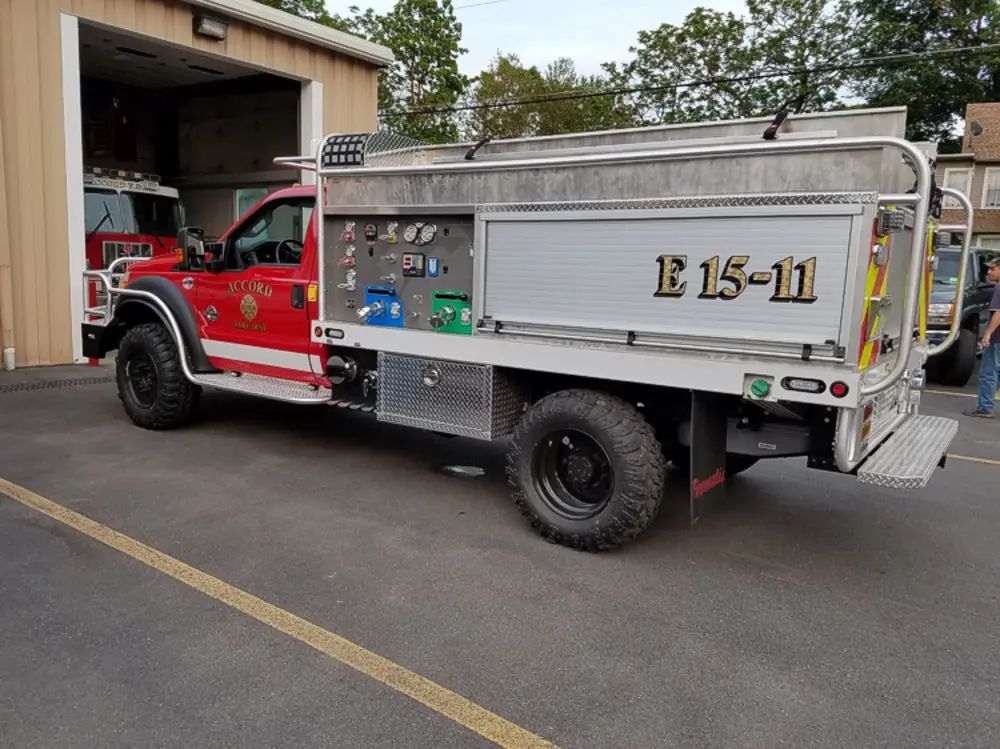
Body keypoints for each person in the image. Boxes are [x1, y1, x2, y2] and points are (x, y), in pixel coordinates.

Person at [964, 259, 1000, 418]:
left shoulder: (999, 288)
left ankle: (985, 408)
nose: (989, 273)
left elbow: (998, 313)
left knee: (988, 372)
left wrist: (988, 333)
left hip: (997, 339)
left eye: (992, 269)